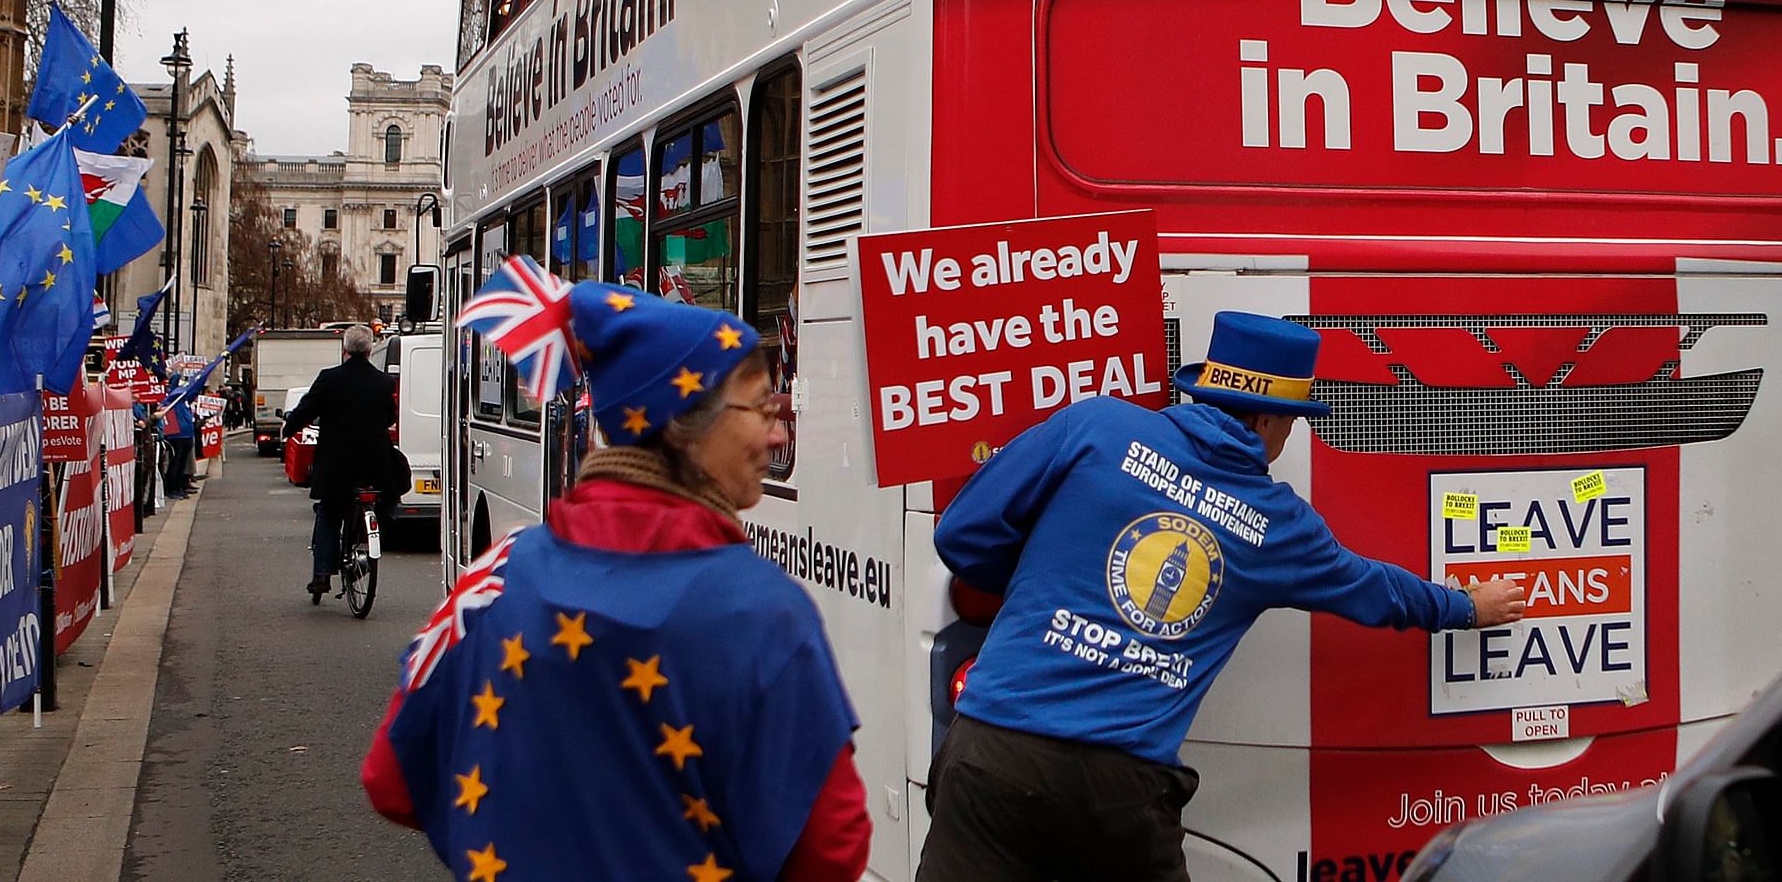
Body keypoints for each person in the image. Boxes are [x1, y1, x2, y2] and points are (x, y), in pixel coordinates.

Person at [917, 312, 1528, 882]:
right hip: (1119, 794)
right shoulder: (1277, 525)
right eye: (1291, 421)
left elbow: (962, 532)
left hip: (990, 757)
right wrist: (1469, 607)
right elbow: (1375, 591)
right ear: (1266, 421)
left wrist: (1038, 589)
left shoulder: (1096, 426)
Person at [362, 258, 871, 881]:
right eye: (760, 407)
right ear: (685, 427)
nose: (776, 431)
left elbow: (391, 780)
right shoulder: (762, 608)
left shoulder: (495, 576)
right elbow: (830, 850)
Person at [283, 324, 395, 597]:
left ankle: (322, 573)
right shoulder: (384, 382)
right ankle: (368, 549)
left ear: (345, 350)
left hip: (337, 465)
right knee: (388, 499)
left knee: (329, 512)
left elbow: (307, 409)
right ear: (369, 350)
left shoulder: (330, 379)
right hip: (375, 464)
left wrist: (289, 427)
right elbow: (390, 417)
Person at [157, 388, 196, 501]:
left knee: (182, 465)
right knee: (175, 464)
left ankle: (179, 488)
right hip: (176, 437)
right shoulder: (170, 402)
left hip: (187, 436)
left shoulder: (185, 402)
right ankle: (172, 489)